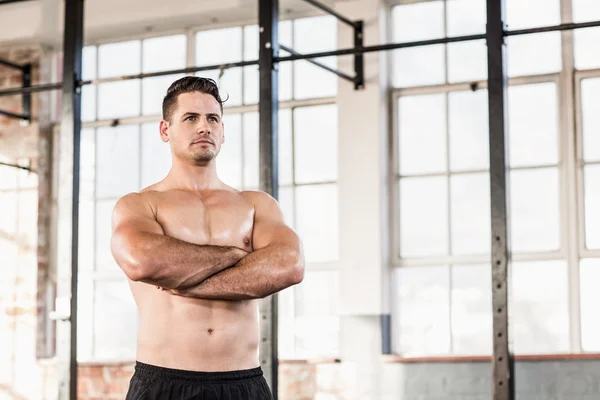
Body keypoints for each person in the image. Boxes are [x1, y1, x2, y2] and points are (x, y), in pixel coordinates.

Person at [110, 76, 305, 400]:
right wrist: (239, 255)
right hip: (163, 383)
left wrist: (184, 279)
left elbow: (289, 265)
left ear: (223, 131)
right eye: (191, 118)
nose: (204, 127)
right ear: (165, 130)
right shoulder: (140, 203)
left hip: (242, 383)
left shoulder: (255, 204)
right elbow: (142, 259)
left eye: (212, 118)